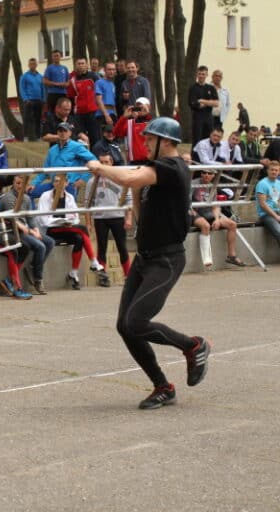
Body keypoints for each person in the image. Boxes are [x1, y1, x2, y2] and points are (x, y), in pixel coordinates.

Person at [86, 116, 212, 410]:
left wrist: (98, 166)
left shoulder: (173, 166)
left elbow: (128, 178)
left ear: (165, 141)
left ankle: (193, 345)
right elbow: (140, 208)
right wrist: (135, 191)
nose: (144, 142)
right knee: (125, 326)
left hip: (166, 259)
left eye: (150, 138)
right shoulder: (155, 171)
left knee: (136, 321)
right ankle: (163, 387)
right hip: (146, 258)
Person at [37, 174, 109, 289]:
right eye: (56, 181)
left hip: (67, 229)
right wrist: (60, 221)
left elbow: (76, 217)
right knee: (82, 229)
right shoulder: (45, 196)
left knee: (79, 238)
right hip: (51, 230)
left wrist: (69, 222)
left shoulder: (70, 197)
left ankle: (73, 273)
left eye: (61, 181)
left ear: (66, 183)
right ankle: (94, 263)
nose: (58, 184)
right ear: (53, 183)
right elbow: (43, 220)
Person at [0, 175, 54, 295]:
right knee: (40, 246)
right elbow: (13, 220)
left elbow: (30, 218)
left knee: (50, 242)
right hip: (13, 231)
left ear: (27, 185)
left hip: (26, 230)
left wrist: (36, 230)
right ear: (13, 183)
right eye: (17, 183)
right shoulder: (8, 198)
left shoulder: (27, 198)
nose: (19, 186)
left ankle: (33, 267)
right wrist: (31, 231)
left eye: (22, 184)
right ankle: (38, 279)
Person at [85, 153, 132, 277]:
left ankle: (128, 275)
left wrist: (129, 218)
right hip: (100, 218)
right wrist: (88, 223)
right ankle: (102, 275)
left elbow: (129, 200)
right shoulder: (91, 181)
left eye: (106, 162)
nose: (104, 164)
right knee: (101, 248)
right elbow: (87, 203)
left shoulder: (120, 179)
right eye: (101, 162)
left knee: (122, 247)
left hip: (117, 216)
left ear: (111, 163)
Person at [190, 169, 245, 268]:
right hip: (194, 212)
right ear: (201, 173)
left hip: (208, 213)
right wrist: (192, 213)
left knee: (232, 224)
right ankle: (206, 258)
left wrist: (217, 219)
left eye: (209, 173)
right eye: (204, 172)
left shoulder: (212, 186)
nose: (206, 175)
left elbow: (216, 206)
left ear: (213, 175)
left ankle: (231, 256)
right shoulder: (194, 184)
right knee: (206, 226)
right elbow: (186, 202)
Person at [29, 122, 95, 199]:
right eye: (60, 131)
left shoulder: (77, 146)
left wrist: (83, 179)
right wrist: (34, 184)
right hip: (54, 184)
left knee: (63, 203)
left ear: (70, 133)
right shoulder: (52, 149)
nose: (63, 133)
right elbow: (45, 170)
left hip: (69, 185)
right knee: (29, 191)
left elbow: (94, 160)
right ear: (57, 133)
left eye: (65, 131)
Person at [67, 57, 101, 146]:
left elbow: (100, 93)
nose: (81, 65)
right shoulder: (73, 80)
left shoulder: (94, 77)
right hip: (79, 113)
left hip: (93, 112)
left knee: (95, 137)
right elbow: (71, 96)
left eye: (83, 63)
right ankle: (83, 154)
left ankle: (95, 154)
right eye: (79, 64)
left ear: (87, 65)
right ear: (75, 65)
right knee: (81, 139)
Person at [113, 97, 153, 164]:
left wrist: (148, 113)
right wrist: (124, 117)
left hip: (150, 160)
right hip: (134, 161)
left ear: (148, 107)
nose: (140, 109)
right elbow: (116, 133)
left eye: (142, 107)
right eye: (138, 107)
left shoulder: (152, 122)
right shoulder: (130, 123)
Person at [188, 65, 219, 145]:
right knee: (197, 141)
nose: (201, 76)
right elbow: (193, 104)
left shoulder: (211, 88)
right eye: (199, 74)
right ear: (197, 74)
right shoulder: (193, 88)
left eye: (203, 74)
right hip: (197, 118)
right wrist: (209, 103)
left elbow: (216, 103)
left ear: (207, 75)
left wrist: (202, 101)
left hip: (209, 118)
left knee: (209, 141)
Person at [254, 160, 280, 247]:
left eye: (276, 170)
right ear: (267, 171)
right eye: (272, 170)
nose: (274, 172)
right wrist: (276, 216)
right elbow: (263, 204)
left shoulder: (279, 183)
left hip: (277, 212)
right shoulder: (262, 184)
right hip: (266, 214)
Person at [18, 57, 45, 140]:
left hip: (39, 101)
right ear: (28, 65)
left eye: (34, 64)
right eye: (31, 64)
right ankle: (26, 137)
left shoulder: (40, 76)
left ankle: (38, 137)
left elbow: (43, 88)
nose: (32, 65)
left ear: (36, 65)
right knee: (27, 119)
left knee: (38, 119)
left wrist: (43, 99)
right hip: (29, 101)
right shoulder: (24, 76)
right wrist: (26, 99)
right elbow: (22, 88)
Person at [95, 61, 118, 129]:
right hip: (102, 115)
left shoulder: (112, 84)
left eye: (113, 69)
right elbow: (99, 100)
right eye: (109, 69)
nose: (111, 72)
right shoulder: (99, 82)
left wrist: (115, 114)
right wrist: (106, 115)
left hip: (112, 114)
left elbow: (112, 102)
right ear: (104, 70)